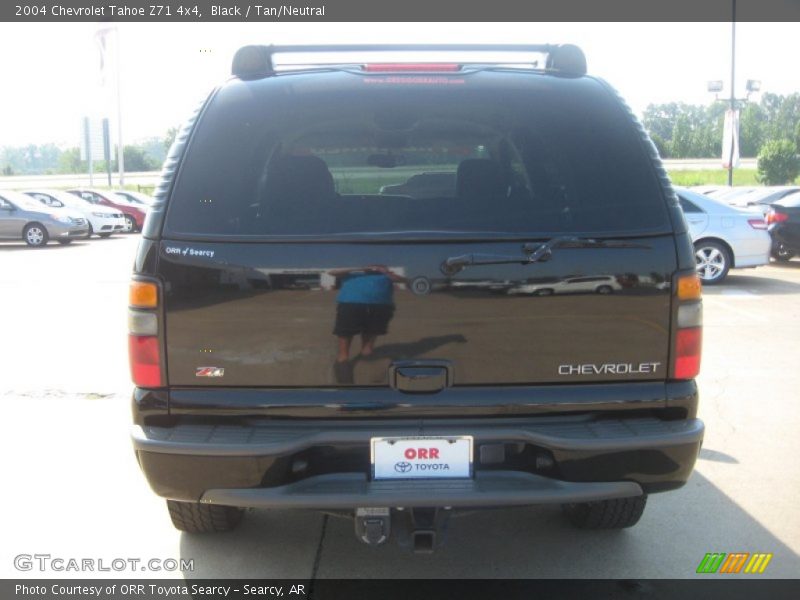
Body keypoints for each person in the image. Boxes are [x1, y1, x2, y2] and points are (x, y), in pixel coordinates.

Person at [329, 265, 405, 383]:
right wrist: (362, 268)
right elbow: (332, 272)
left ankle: (366, 356)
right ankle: (342, 360)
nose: (373, 268)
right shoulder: (352, 273)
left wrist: (386, 272)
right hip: (351, 305)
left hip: (380, 307)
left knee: (370, 338)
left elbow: (403, 280)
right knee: (345, 333)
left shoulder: (386, 275)